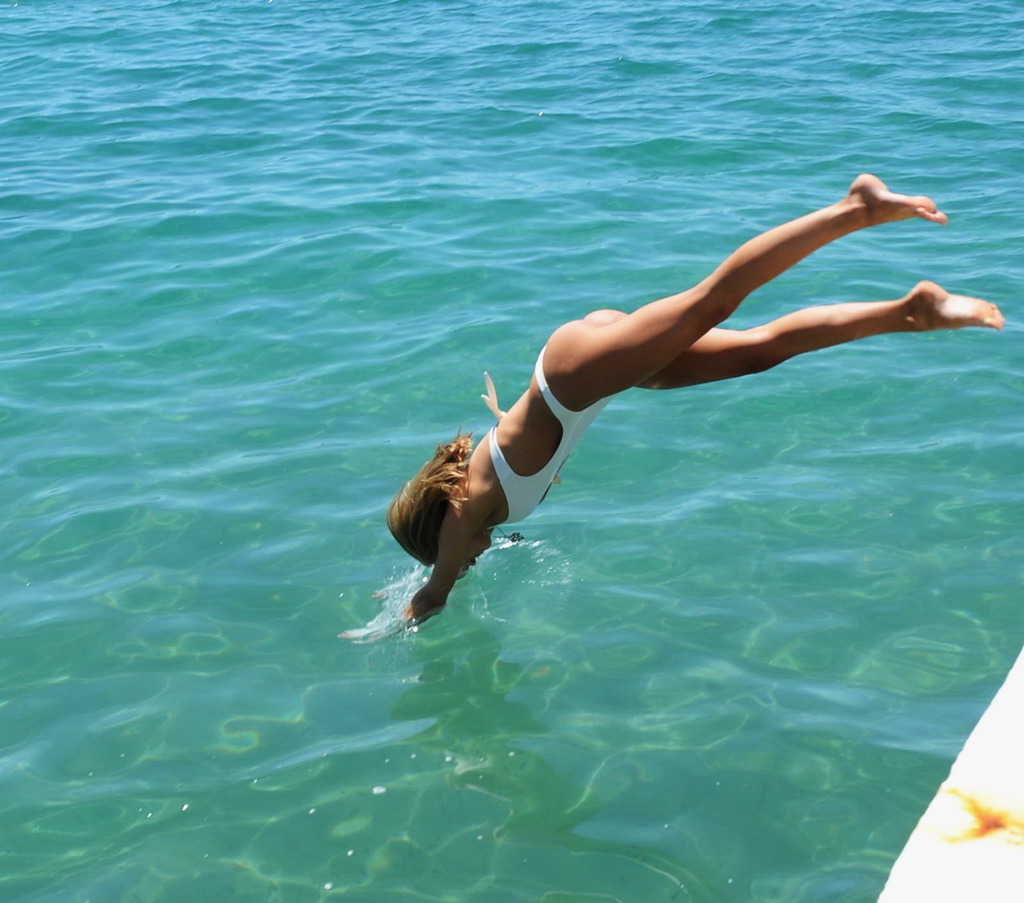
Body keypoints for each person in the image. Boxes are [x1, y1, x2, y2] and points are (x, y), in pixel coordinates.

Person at [385, 174, 1004, 627]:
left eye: (455, 557)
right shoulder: (479, 504)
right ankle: (909, 313)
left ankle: (853, 209)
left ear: (442, 526)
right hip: (591, 379)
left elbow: (438, 584)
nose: (466, 563)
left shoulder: (469, 507)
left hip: (575, 373)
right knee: (759, 351)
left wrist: (409, 613)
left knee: (713, 300)